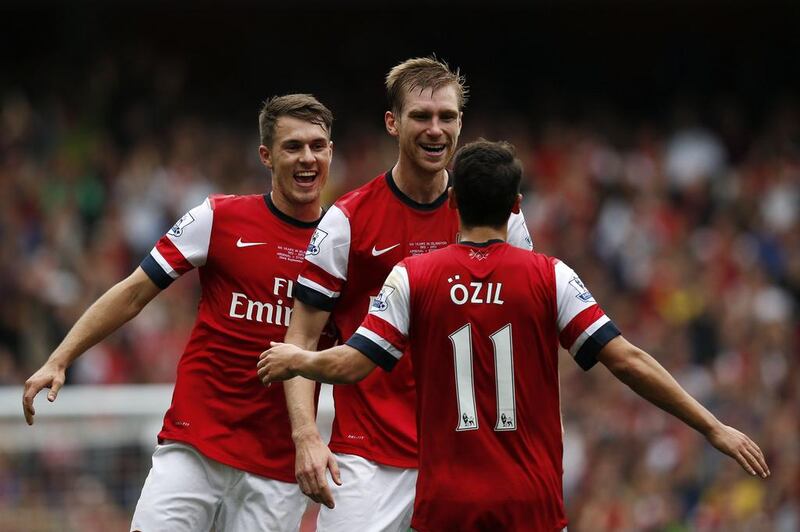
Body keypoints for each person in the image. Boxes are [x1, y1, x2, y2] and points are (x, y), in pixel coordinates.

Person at [259, 139, 770, 531]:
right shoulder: (551, 276)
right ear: (517, 203)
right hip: (532, 499)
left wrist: (296, 360)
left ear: (453, 201)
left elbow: (354, 363)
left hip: (448, 502)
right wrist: (711, 427)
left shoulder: (415, 276)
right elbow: (629, 360)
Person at [22, 94, 335, 532]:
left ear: (331, 151)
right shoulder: (219, 217)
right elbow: (133, 292)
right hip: (196, 446)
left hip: (278, 467)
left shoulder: (343, 245)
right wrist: (60, 357)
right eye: (293, 146)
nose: (307, 158)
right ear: (266, 155)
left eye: (317, 146)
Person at [281, 57, 533, 531]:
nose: (435, 130)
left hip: (466, 455)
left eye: (447, 117)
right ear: (393, 123)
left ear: (461, 123)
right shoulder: (346, 222)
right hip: (369, 458)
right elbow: (301, 337)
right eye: (421, 116)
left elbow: (525, 335)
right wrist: (306, 435)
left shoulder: (499, 219)